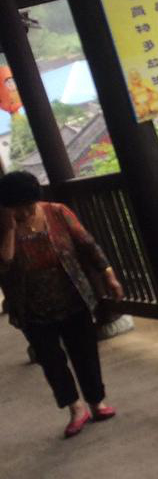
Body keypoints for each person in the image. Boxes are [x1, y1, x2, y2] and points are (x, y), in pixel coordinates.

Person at [0, 170, 123, 438]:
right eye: (16, 207)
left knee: (85, 351)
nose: (23, 212)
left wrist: (108, 275)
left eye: (27, 205)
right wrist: (9, 228)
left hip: (71, 295)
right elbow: (4, 265)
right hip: (30, 306)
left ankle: (96, 402)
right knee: (51, 360)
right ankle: (75, 408)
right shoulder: (3, 226)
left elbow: (88, 244)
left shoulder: (57, 212)